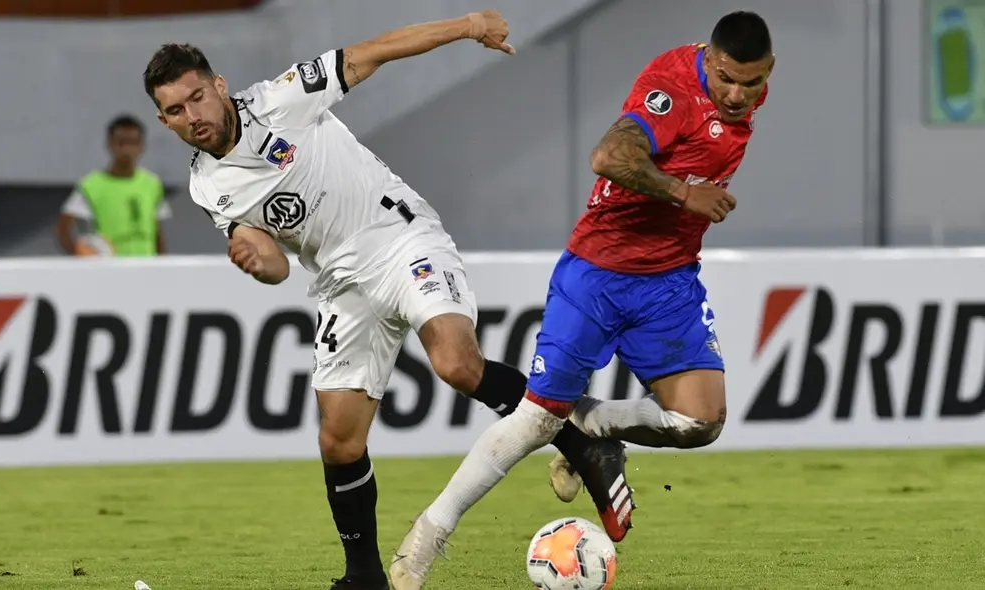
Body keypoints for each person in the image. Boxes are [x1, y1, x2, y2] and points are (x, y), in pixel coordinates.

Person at [142, 10, 629, 590]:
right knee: (338, 439)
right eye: (175, 110)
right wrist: (256, 259)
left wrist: (470, 24)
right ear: (163, 119)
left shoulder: (281, 99)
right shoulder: (207, 185)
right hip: (340, 283)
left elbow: (374, 51)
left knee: (456, 364)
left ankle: (587, 445)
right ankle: (364, 577)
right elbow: (270, 262)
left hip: (398, 236)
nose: (192, 116)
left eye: (197, 97)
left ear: (218, 86)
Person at [389, 10, 774, 589]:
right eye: (726, 79)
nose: (738, 95)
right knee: (534, 422)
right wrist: (681, 192)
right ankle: (425, 539)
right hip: (597, 273)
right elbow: (608, 157)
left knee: (701, 421)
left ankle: (593, 429)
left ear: (768, 71)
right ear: (710, 60)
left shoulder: (743, 89)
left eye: (752, 82)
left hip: (669, 281)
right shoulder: (672, 89)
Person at [55, 115, 171, 256]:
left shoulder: (152, 184)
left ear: (142, 146)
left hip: (146, 269)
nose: (127, 149)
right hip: (110, 271)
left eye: (133, 142)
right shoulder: (91, 185)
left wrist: (161, 265)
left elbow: (157, 232)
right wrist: (81, 255)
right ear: (110, 144)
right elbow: (63, 230)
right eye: (121, 142)